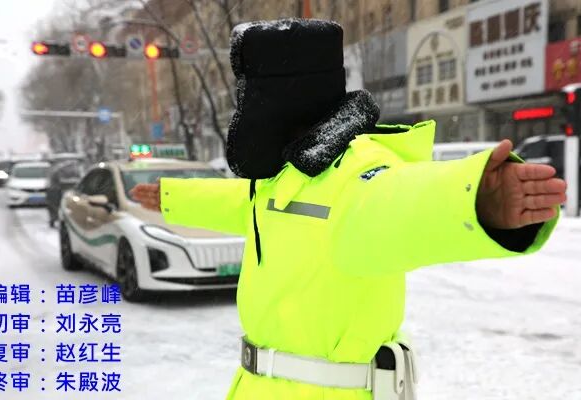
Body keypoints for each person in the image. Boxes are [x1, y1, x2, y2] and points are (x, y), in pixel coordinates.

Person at [131, 19, 566, 400]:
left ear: (285, 92)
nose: (244, 105)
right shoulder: (288, 173)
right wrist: (174, 197)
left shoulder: (355, 168)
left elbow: (395, 202)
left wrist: (470, 198)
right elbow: (249, 205)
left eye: (251, 90)